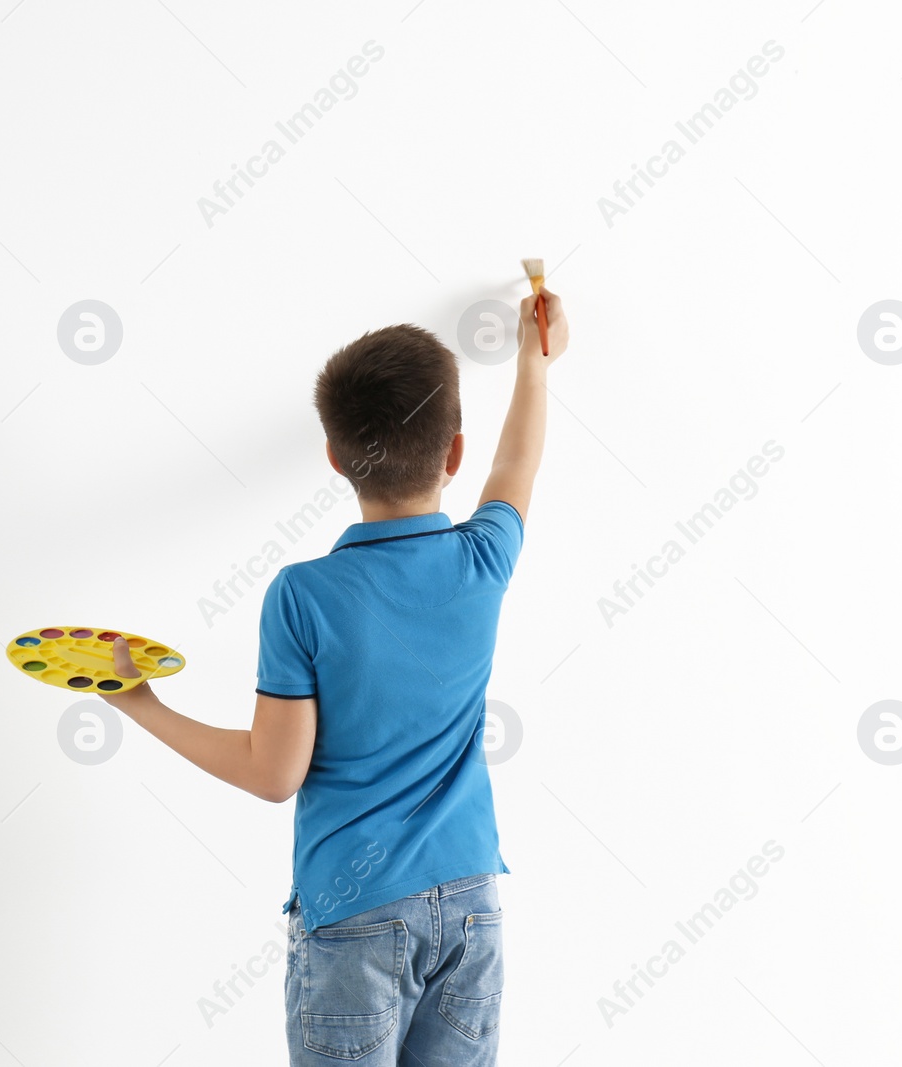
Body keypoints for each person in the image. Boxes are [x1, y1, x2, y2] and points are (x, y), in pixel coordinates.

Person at [97, 290, 569, 1064]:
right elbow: (518, 460)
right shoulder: (482, 558)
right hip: (474, 903)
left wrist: (141, 702)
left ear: (332, 456)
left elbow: (272, 772)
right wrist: (534, 358)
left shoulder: (303, 595)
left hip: (355, 917)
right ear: (453, 453)